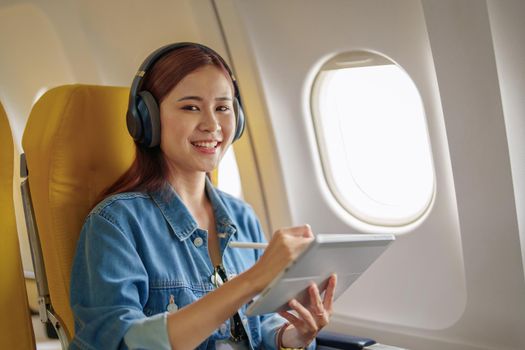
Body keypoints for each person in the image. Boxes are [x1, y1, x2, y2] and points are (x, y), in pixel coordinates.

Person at [69, 42, 337, 350]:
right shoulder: (115, 223)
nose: (212, 125)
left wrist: (293, 337)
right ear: (148, 120)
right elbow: (121, 344)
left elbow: (261, 323)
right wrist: (250, 280)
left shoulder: (241, 216)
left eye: (222, 108)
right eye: (191, 107)